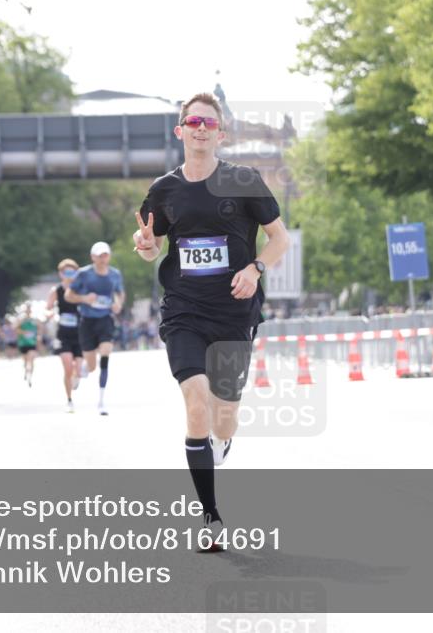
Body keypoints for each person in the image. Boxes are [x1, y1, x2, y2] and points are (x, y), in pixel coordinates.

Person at [133, 92, 289, 550]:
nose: (200, 127)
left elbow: (279, 240)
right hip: (183, 309)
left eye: (209, 121)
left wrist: (254, 268)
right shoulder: (165, 189)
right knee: (195, 403)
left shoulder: (243, 180)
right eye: (192, 121)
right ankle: (211, 518)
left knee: (224, 414)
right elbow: (151, 243)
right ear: (179, 131)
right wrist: (144, 247)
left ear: (220, 132)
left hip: (234, 313)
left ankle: (219, 444)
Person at [66, 243, 125, 415]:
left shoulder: (115, 274)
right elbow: (68, 295)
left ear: (109, 256)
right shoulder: (84, 274)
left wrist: (118, 304)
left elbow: (120, 293)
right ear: (93, 257)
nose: (102, 258)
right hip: (87, 322)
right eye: (99, 255)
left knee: (105, 356)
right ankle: (83, 370)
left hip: (105, 320)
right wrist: (84, 298)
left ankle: (101, 400)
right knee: (91, 366)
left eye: (105, 255)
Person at [47, 259, 84, 411]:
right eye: (66, 272)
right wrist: (49, 314)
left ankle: (77, 374)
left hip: (80, 332)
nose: (69, 275)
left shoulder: (80, 288)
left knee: (78, 369)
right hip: (63, 332)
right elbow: (48, 307)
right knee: (67, 367)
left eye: (72, 272)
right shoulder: (56, 290)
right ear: (61, 274)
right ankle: (69, 400)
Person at [16, 304, 41, 387]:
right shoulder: (21, 320)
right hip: (23, 343)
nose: (28, 311)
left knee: (31, 359)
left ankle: (30, 377)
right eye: (27, 309)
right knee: (25, 361)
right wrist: (24, 332)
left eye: (29, 309)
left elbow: (39, 329)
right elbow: (16, 329)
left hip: (32, 343)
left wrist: (38, 337)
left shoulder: (35, 320)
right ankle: (26, 372)